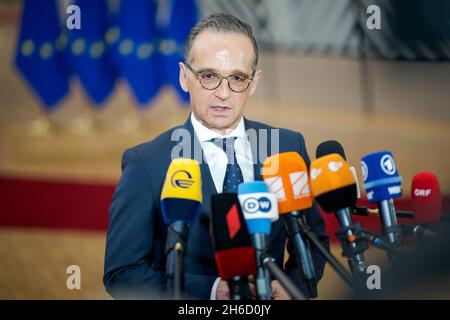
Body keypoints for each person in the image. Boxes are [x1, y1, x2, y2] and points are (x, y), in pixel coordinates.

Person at [103, 13, 329, 300]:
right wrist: (210, 291)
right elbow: (122, 273)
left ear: (254, 83)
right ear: (184, 77)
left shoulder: (287, 147)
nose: (223, 93)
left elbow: (312, 240)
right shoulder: (147, 163)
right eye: (209, 76)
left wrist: (292, 284)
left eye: (237, 78)